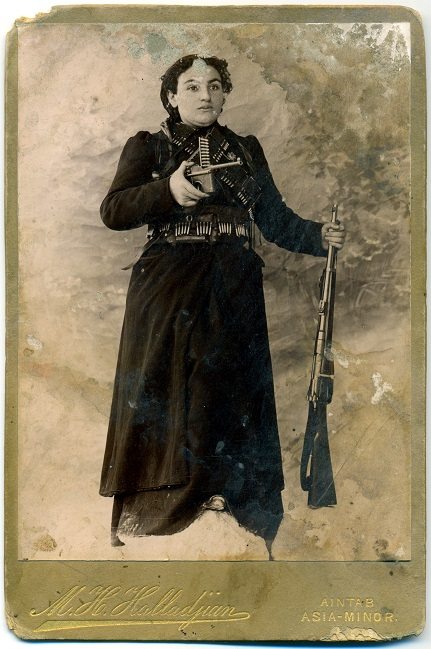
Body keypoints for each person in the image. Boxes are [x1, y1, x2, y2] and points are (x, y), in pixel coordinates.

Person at [99, 54, 345, 558]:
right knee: (172, 393)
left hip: (235, 286)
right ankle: (162, 514)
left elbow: (275, 220)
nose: (205, 95)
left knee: (234, 392)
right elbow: (114, 210)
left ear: (225, 93)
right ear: (172, 96)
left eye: (214, 86)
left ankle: (233, 507)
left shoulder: (245, 151)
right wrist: (167, 189)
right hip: (169, 287)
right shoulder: (150, 146)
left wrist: (321, 235)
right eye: (192, 87)